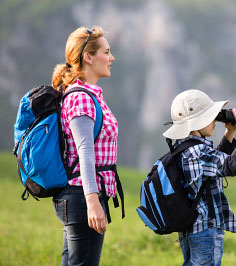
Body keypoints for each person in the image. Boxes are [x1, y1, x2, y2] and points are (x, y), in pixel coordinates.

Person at [51, 26, 124, 266]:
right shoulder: (81, 97)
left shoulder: (89, 94)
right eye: (107, 51)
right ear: (88, 57)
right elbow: (85, 150)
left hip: (83, 194)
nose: (111, 58)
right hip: (83, 195)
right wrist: (92, 201)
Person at [163, 89, 236, 266]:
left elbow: (213, 164)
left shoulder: (186, 147)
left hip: (193, 229)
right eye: (209, 117)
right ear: (197, 123)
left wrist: (230, 133)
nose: (214, 121)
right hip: (205, 229)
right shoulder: (197, 151)